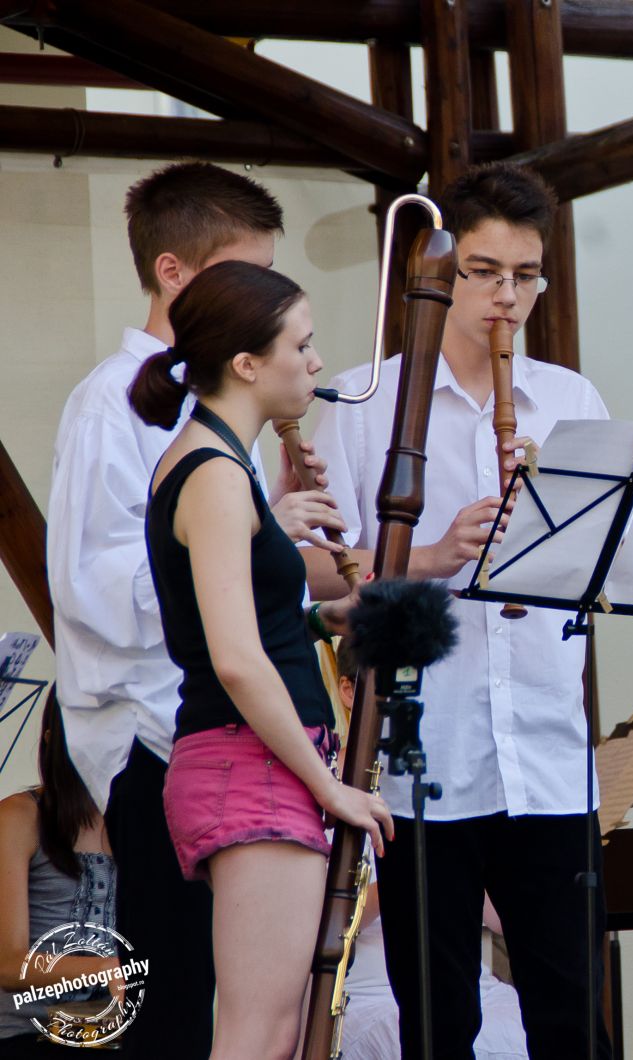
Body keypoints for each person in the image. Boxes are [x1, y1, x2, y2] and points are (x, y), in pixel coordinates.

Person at [308, 161, 612, 1058]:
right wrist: (434, 556)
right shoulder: (369, 404)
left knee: (571, 1011)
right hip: (423, 755)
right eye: (484, 271)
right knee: (439, 1020)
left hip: (549, 754)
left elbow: (609, 560)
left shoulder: (570, 401)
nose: (506, 297)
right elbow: (315, 578)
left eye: (526, 275)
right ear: (440, 268)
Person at [45, 161, 342, 1058]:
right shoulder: (114, 404)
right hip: (159, 732)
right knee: (186, 1017)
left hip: (213, 733)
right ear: (174, 274)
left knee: (252, 1018)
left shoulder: (210, 431)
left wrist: (278, 537)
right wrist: (250, 533)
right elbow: (94, 589)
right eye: (237, 275)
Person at [129, 260, 393, 1060]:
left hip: (254, 759)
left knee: (278, 1032)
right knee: (258, 1033)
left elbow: (259, 624)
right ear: (247, 363)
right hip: (251, 763)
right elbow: (237, 661)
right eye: (302, 345)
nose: (316, 363)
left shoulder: (223, 466)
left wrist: (320, 610)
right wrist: (331, 789)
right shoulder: (210, 473)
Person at [326, 640, 530, 1060]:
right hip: (370, 994)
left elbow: (499, 916)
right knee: (416, 1036)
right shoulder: (326, 785)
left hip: (474, 986)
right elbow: (319, 923)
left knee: (528, 1032)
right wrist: (407, 878)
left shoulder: (447, 783)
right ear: (349, 691)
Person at [0, 696, 118, 1057]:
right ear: (53, 739)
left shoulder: (132, 819)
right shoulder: (19, 816)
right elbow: (8, 965)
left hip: (105, 1031)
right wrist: (104, 968)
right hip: (29, 1035)